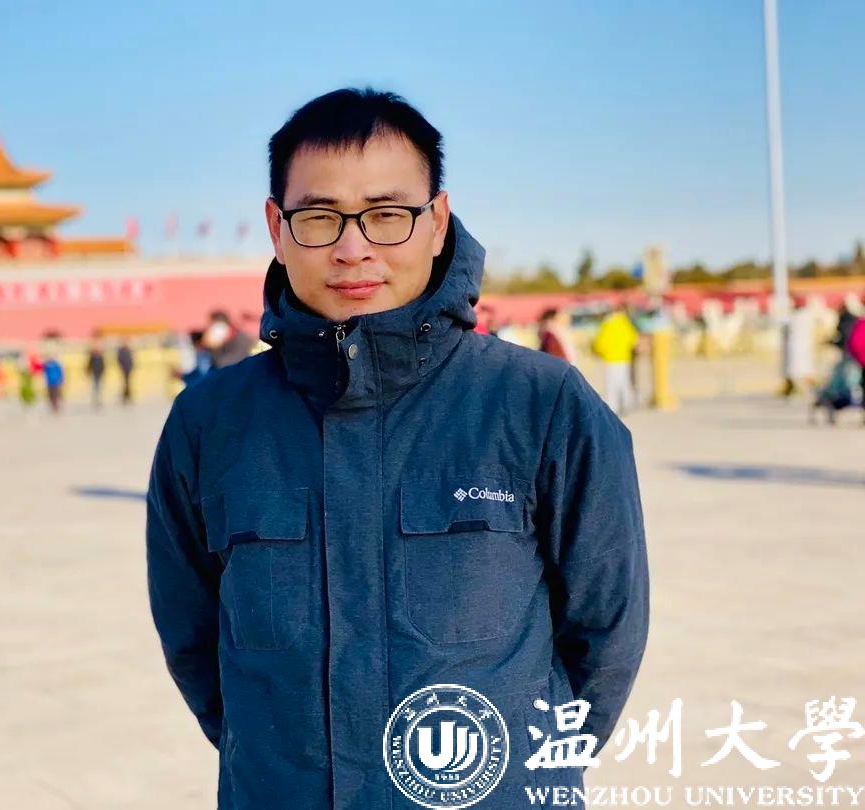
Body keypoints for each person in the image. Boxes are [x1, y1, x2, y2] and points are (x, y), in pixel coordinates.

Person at [145, 88, 649, 810]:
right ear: (277, 228)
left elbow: (605, 633)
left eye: (387, 215)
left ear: (437, 222)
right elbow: (191, 635)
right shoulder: (210, 422)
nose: (353, 249)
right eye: (319, 218)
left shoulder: (541, 405)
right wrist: (279, 759)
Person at [592, 301, 639, 415]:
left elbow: (600, 342)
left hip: (611, 358)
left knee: (611, 384)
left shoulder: (607, 324)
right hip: (624, 357)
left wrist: (600, 352)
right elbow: (633, 340)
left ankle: (613, 407)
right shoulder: (626, 323)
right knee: (624, 382)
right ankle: (627, 404)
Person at [86, 340, 106, 409]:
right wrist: (88, 372)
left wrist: (103, 372)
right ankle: (95, 400)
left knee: (99, 388)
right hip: (94, 374)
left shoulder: (101, 356)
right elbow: (89, 365)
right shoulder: (92, 356)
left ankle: (99, 400)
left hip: (99, 374)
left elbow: (103, 365)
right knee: (94, 388)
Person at [116, 340, 135, 405]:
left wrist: (131, 367)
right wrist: (122, 367)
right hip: (123, 370)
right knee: (124, 383)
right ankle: (125, 396)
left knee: (128, 383)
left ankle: (128, 396)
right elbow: (119, 360)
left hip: (129, 369)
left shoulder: (129, 350)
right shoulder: (121, 351)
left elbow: (132, 360)